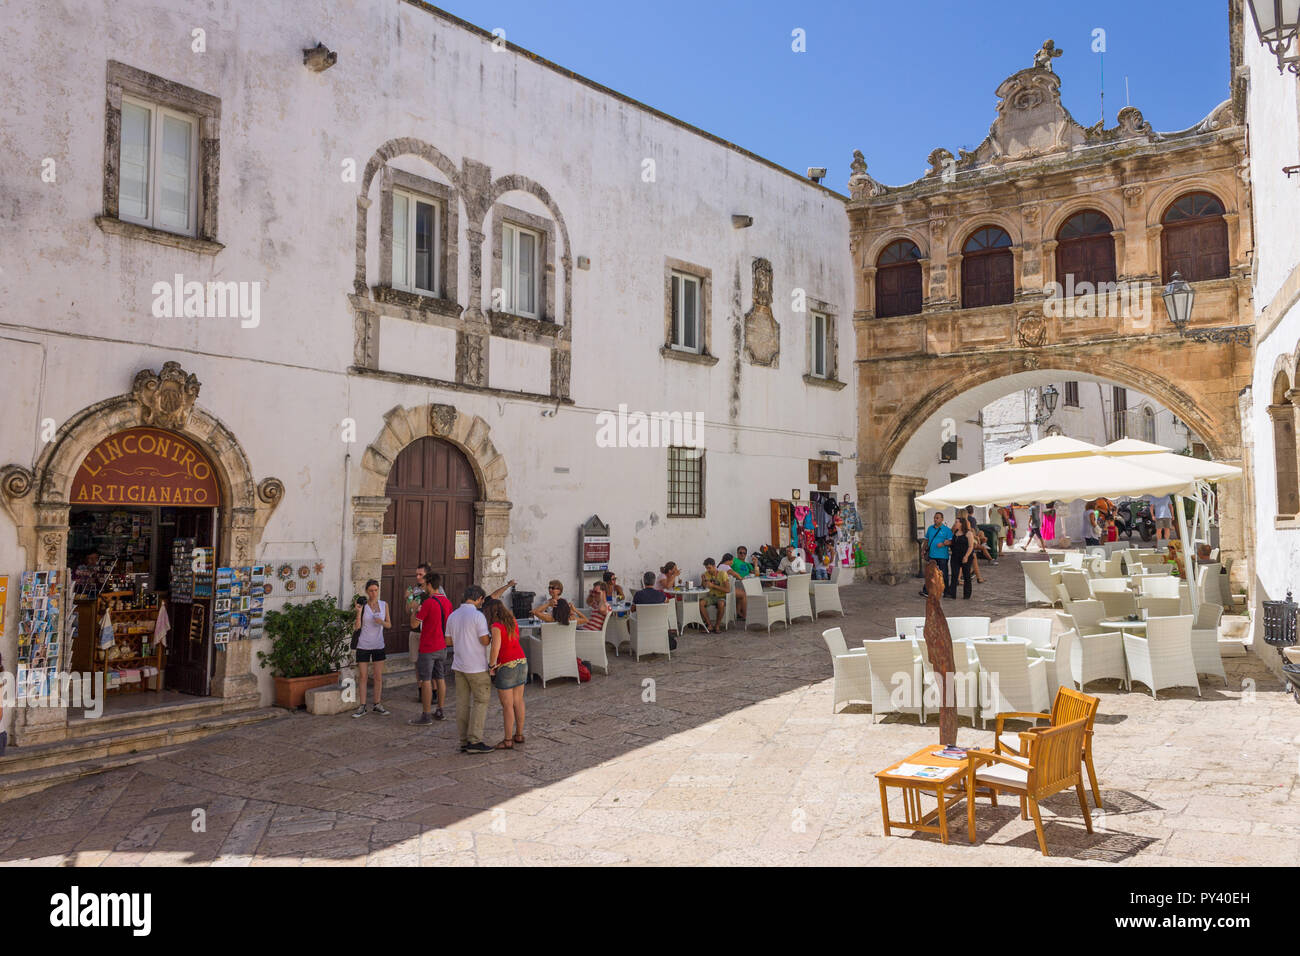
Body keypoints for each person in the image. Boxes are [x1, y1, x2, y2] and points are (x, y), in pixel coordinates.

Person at [448, 585, 494, 755]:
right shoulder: (477, 616)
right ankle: (475, 739)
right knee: (481, 701)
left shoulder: (453, 615)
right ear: (479, 599)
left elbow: (448, 641)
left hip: (459, 664)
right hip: (476, 666)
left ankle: (463, 740)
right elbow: (484, 640)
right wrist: (489, 636)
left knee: (462, 703)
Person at [408, 571, 454, 725]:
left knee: (426, 680)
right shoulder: (447, 603)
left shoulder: (428, 603)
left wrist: (414, 609)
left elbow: (414, 624)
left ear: (429, 584)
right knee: (440, 678)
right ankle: (440, 710)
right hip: (442, 646)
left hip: (428, 646)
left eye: (425, 584)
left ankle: (426, 715)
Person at [484, 598, 527, 750]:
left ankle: (508, 740)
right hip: (521, 661)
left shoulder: (496, 626)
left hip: (506, 665)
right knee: (518, 701)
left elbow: (495, 648)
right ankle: (519, 734)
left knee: (507, 705)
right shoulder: (512, 621)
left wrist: (491, 666)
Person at [351, 579, 391, 717]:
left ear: (378, 590)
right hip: (363, 645)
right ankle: (362, 706)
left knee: (378, 676)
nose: (373, 593)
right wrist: (358, 611)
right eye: (371, 591)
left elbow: (389, 625)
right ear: (367, 592)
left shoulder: (384, 604)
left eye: (375, 590)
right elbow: (357, 627)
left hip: (378, 645)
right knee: (363, 676)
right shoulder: (363, 606)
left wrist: (382, 622)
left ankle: (377, 704)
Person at [920, 511, 952, 597]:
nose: (935, 519)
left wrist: (944, 544)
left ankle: (946, 592)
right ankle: (926, 591)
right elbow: (926, 540)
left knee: (943, 574)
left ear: (942, 519)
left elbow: (950, 541)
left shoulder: (947, 530)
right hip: (932, 555)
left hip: (942, 556)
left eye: (937, 518)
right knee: (930, 574)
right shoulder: (930, 528)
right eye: (934, 518)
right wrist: (923, 550)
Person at [945, 517, 975, 600]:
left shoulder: (968, 533)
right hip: (955, 556)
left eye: (957, 522)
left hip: (965, 557)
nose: (955, 523)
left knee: (966, 576)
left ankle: (967, 595)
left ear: (962, 523)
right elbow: (954, 544)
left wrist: (966, 556)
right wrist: (948, 543)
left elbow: (971, 546)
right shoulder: (955, 532)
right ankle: (952, 594)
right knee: (954, 575)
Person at [699, 558, 730, 633]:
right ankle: (709, 625)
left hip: (722, 596)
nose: (708, 570)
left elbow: (727, 590)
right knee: (700, 603)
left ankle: (717, 625)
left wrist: (713, 586)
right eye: (706, 568)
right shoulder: (706, 574)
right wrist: (703, 580)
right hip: (711, 596)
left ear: (714, 566)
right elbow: (703, 587)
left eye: (709, 568)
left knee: (721, 603)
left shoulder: (722, 574)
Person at [719, 552, 748, 620]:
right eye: (732, 560)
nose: (733, 562)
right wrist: (742, 578)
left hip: (722, 589)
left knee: (739, 593)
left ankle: (738, 612)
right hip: (726, 590)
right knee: (743, 594)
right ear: (729, 560)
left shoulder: (720, 566)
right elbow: (735, 574)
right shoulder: (726, 567)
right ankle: (745, 615)